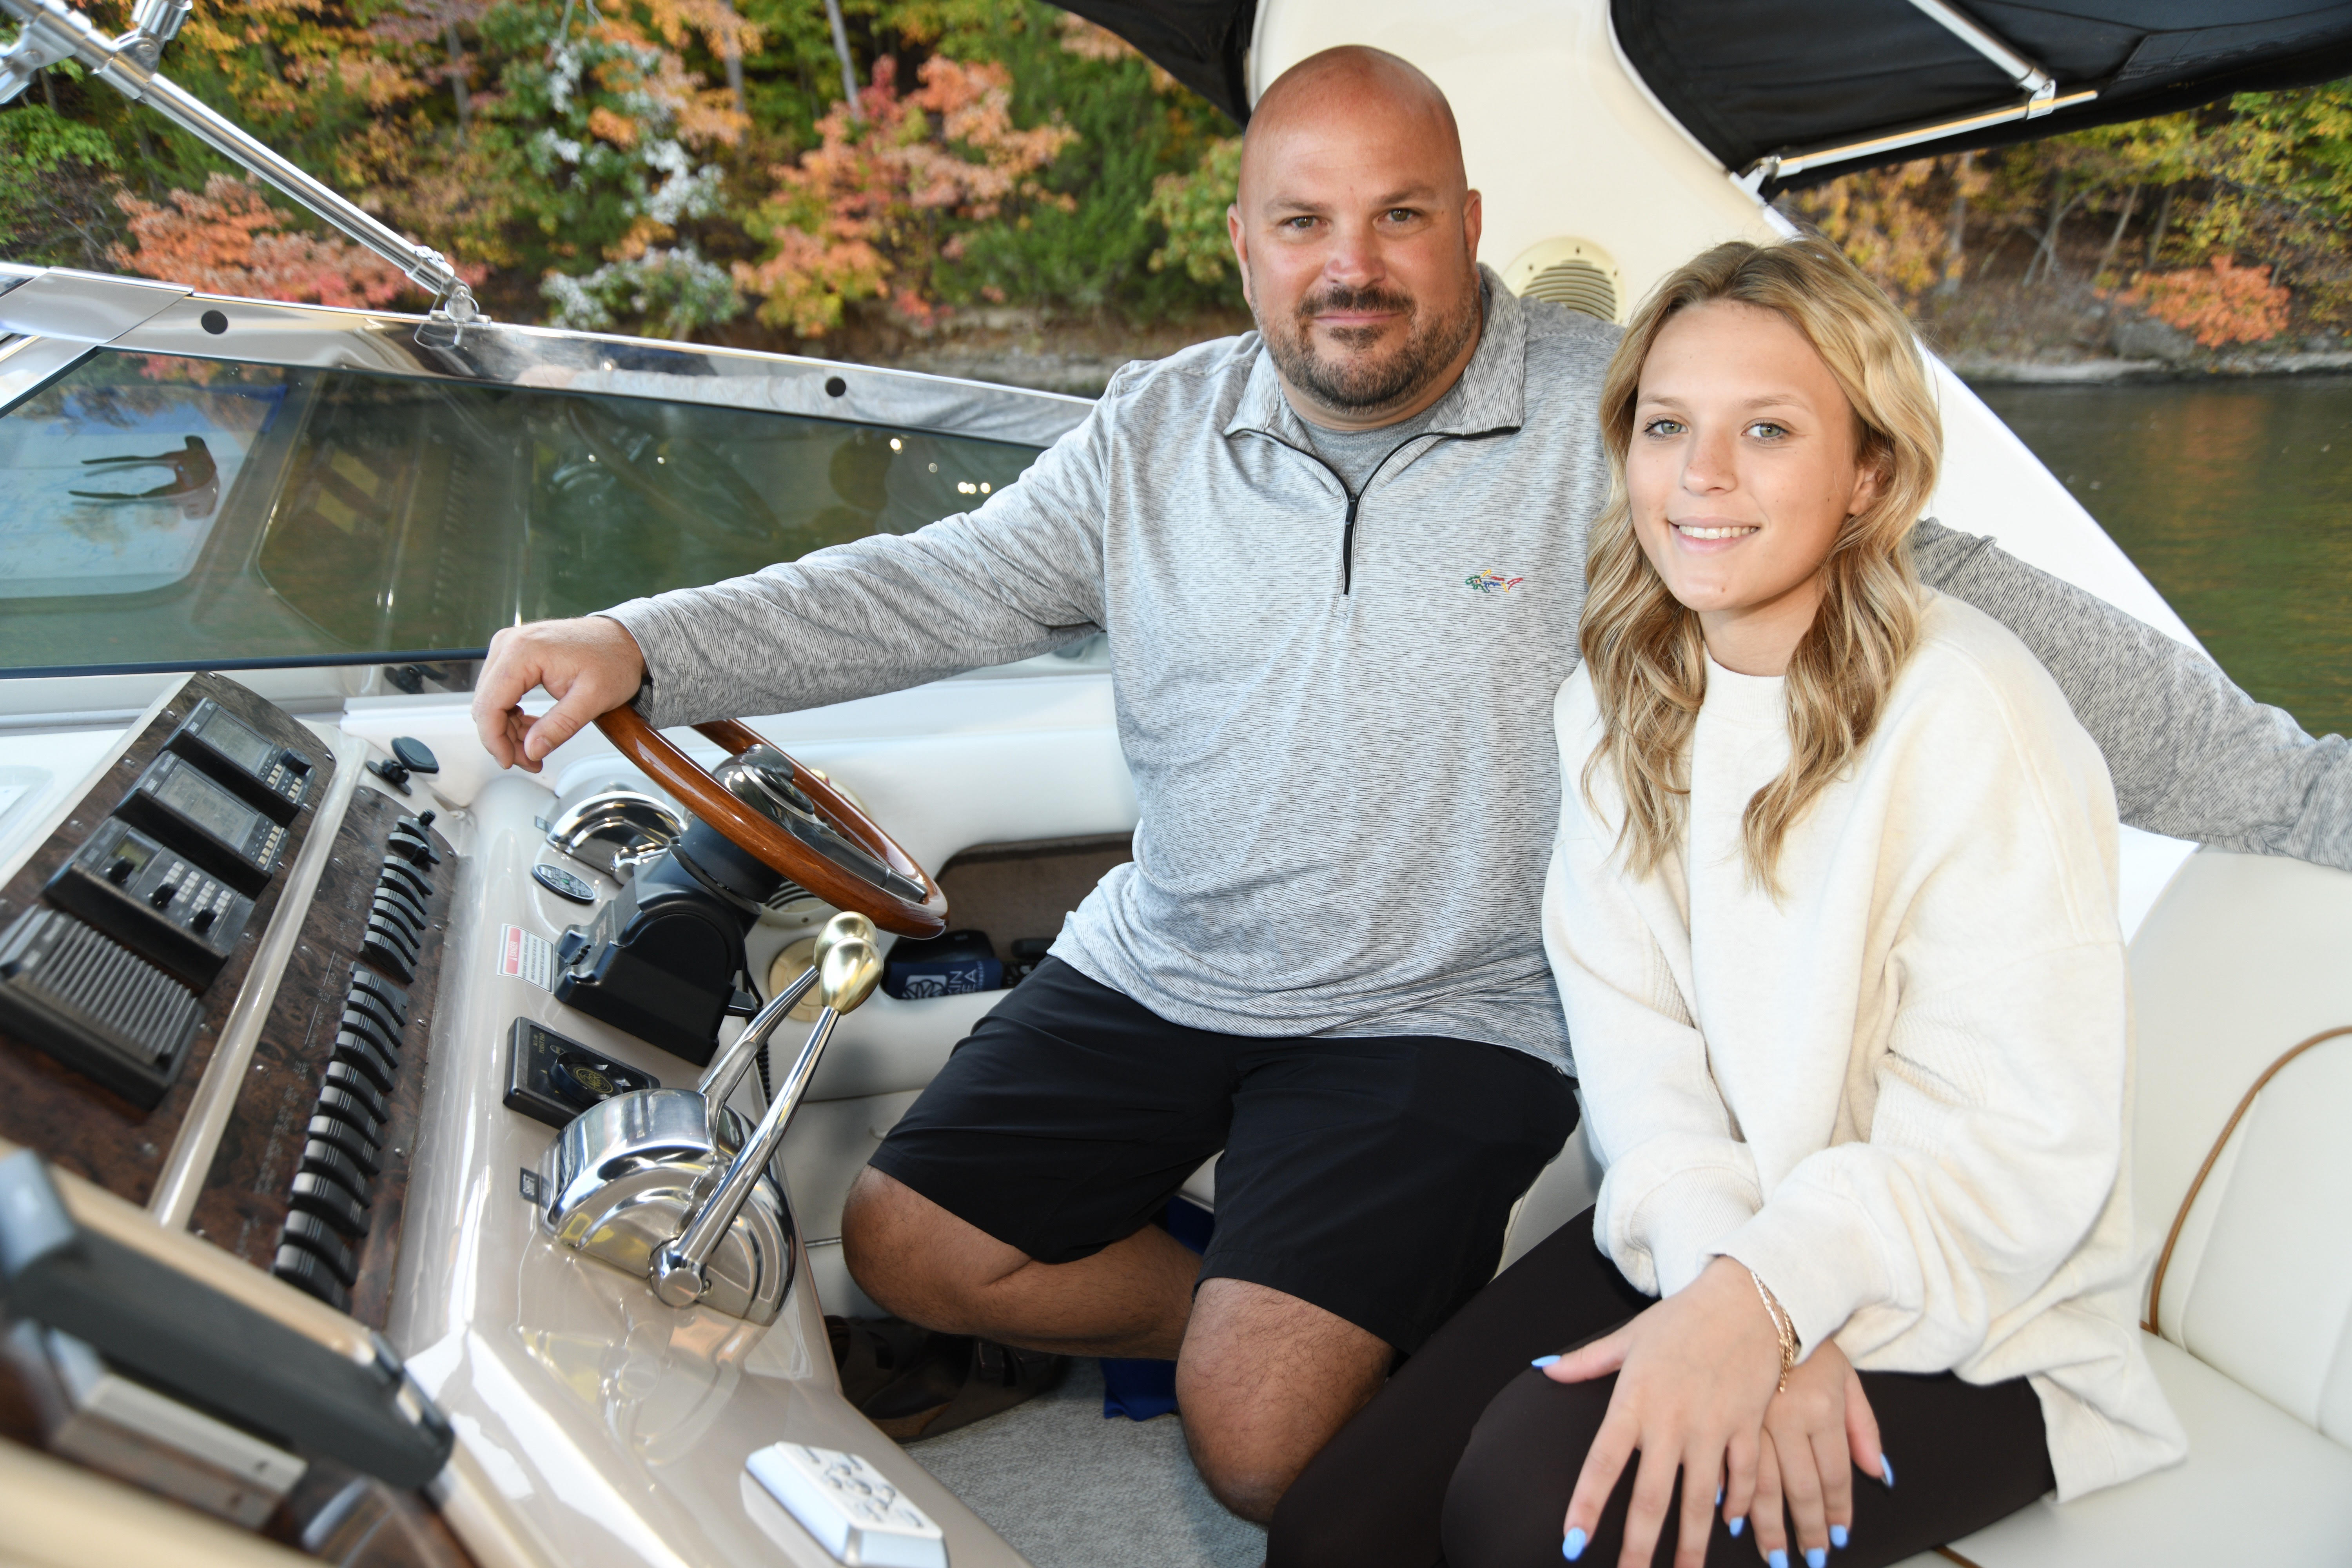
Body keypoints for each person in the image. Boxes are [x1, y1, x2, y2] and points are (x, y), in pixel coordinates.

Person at [472, 47, 2343, 1521]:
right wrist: (645, 643)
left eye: (1395, 218)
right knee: (899, 1242)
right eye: (1303, 223)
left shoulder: (1631, 421)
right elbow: (926, 585)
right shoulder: (1153, 433)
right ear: (1245, 244)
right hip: (1165, 959)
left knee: (1269, 1450)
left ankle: (1300, 1335)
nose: (1348, 267)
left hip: (1451, 1014)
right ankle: (1275, 1299)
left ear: (1469, 226)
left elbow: (1963, 587)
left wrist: (2313, 794)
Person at [1265, 237, 2186, 1568]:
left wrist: (1781, 1305)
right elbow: (1638, 1058)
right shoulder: (1615, 705)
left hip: (1982, 1300)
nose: (1700, 475)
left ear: (1869, 472)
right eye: (1665, 427)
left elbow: (2011, 1146)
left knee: (1528, 1520)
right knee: (1333, 1537)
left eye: (1766, 430)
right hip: (1722, 1223)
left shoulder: (1971, 716)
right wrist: (1739, 1299)